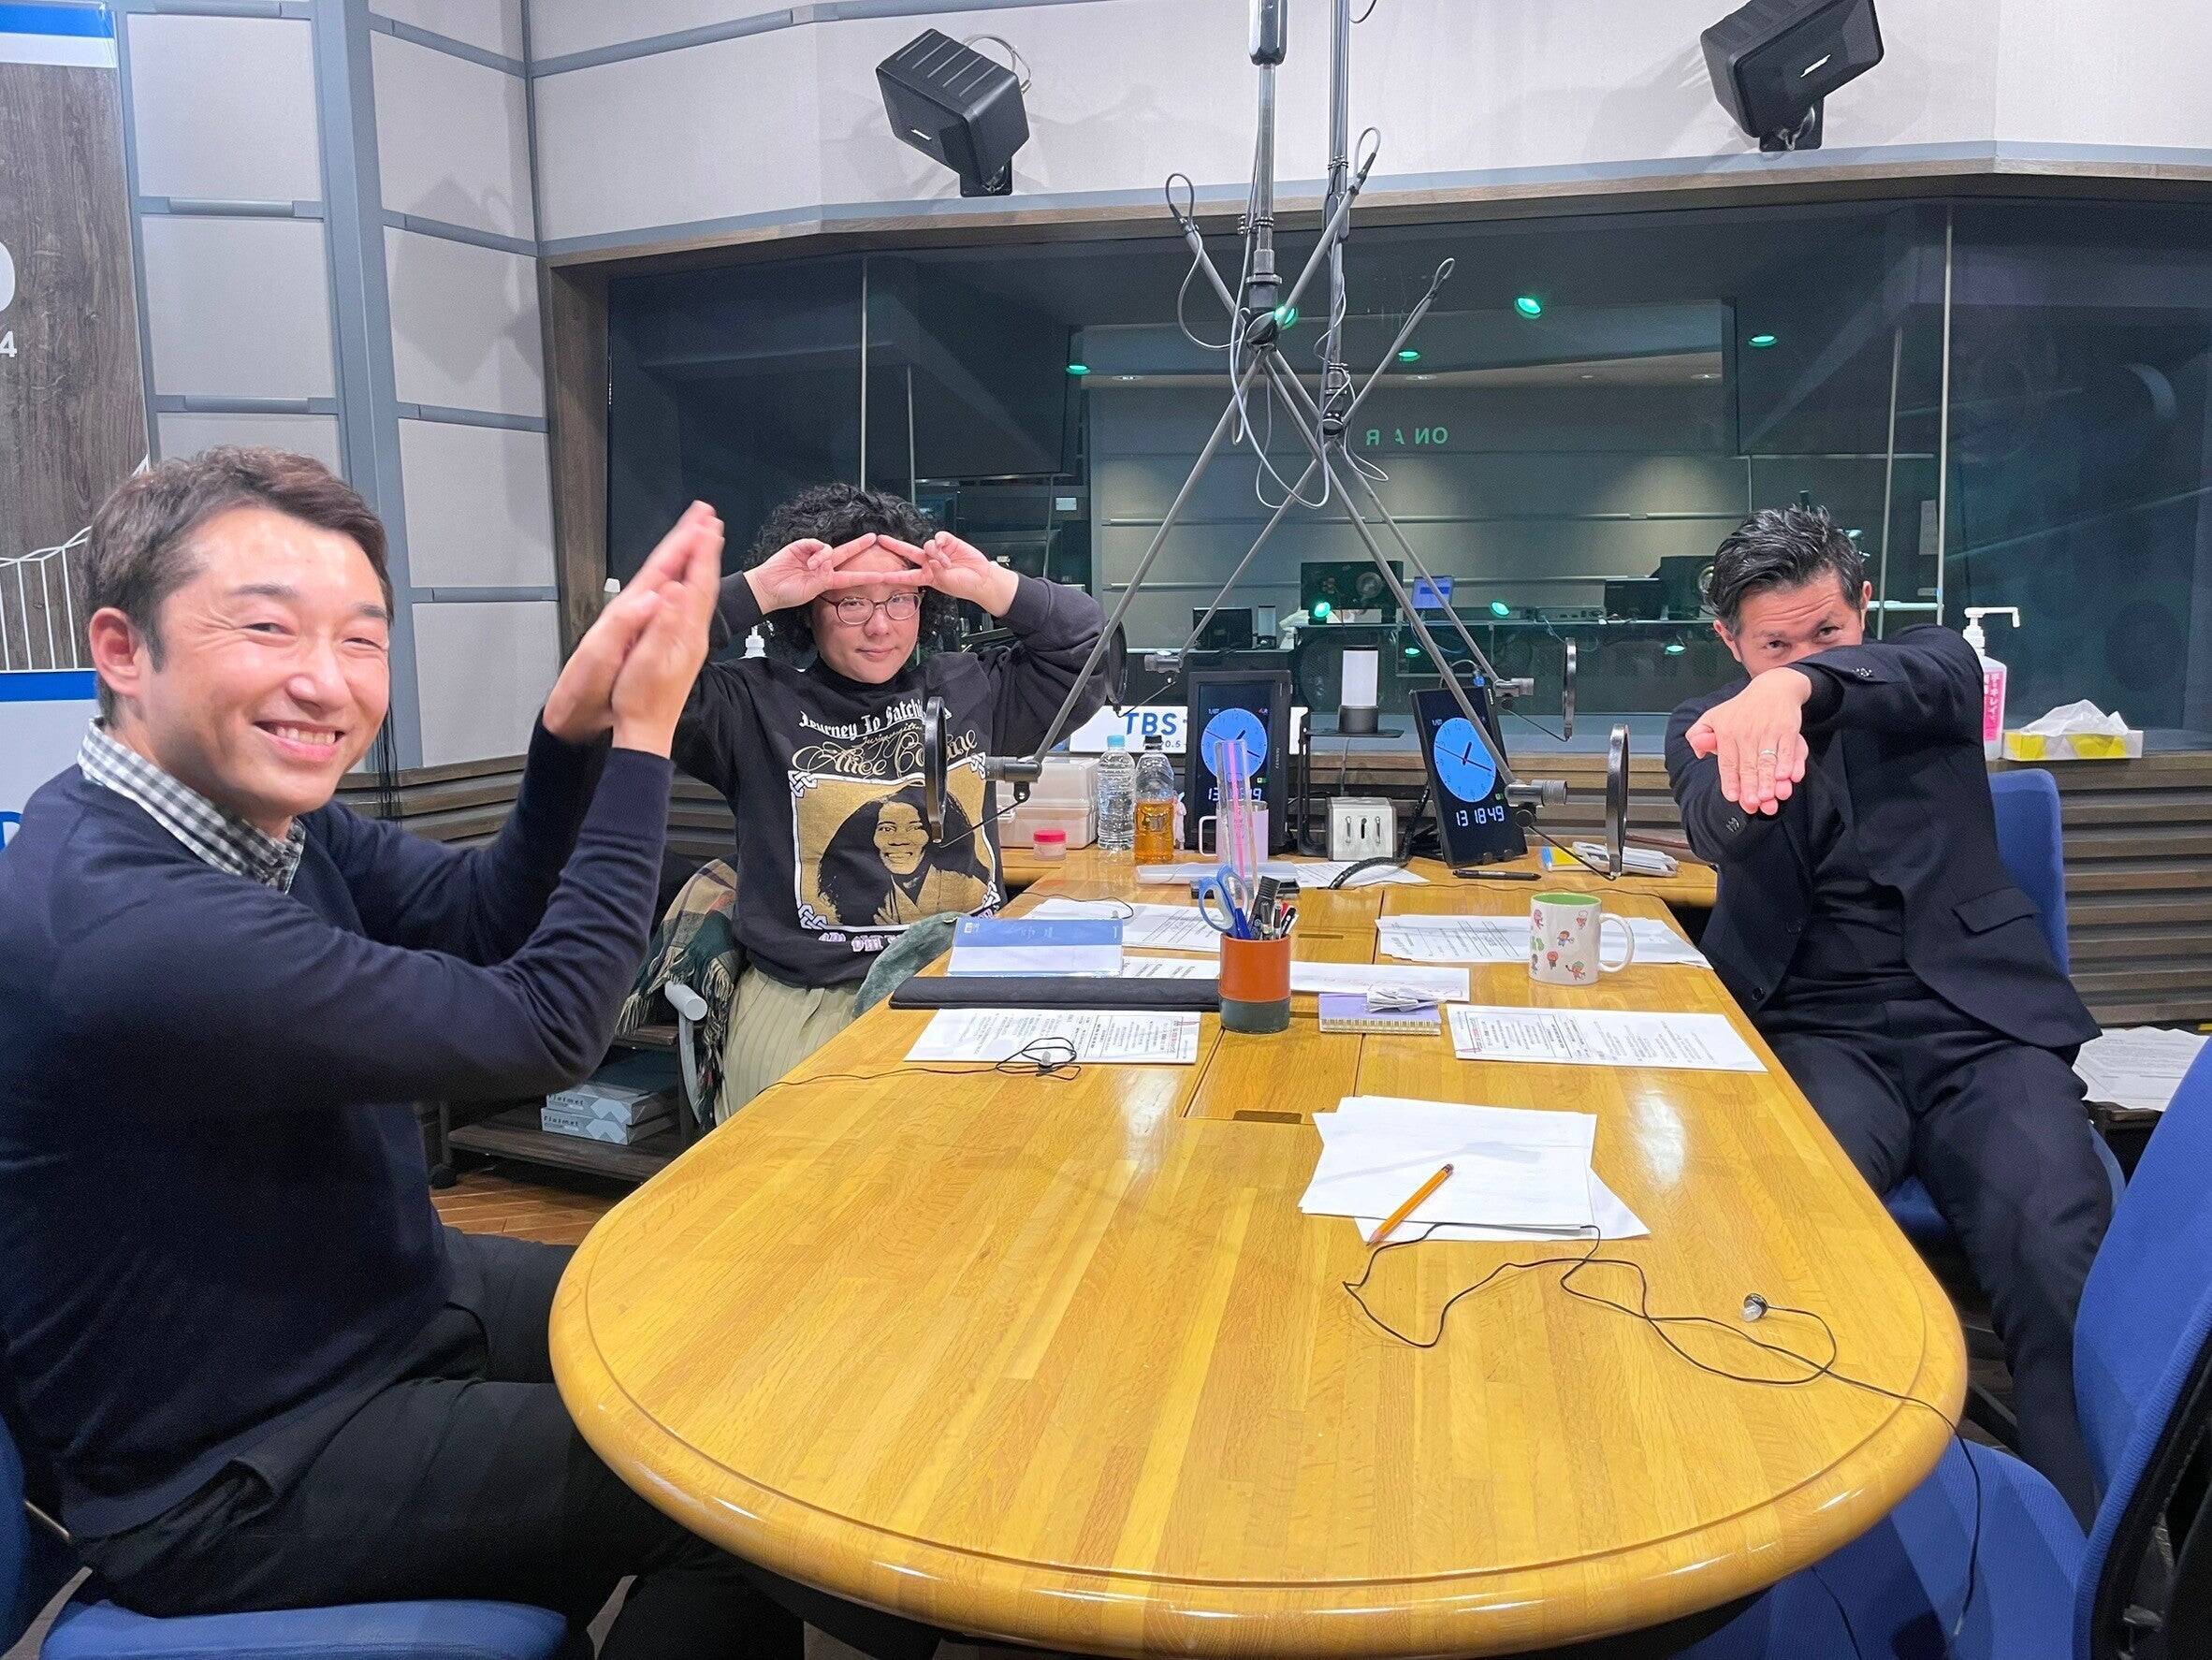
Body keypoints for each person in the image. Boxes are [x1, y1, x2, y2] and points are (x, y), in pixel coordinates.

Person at [0, 449, 939, 1659]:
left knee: (713, 1324)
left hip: (376, 1306)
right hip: (234, 1467)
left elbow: (485, 912)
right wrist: (643, 738)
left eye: (360, 638)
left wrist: (571, 729)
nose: (325, 680)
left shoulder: (253, 821)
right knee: (723, 1486)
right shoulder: (124, 922)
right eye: (269, 628)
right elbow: (546, 1026)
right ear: (124, 651)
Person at [1665, 504, 2111, 1524]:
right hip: (1815, 1027)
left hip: (1980, 1026)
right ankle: (1813, 1522)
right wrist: (1749, 765)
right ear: (1729, 641)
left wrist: (1798, 684)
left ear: (1862, 607)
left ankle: (2095, 1547)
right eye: (1774, 645)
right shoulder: (1709, 722)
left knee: (2054, 1253)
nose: (1807, 656)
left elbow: (1932, 673)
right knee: (1784, 1241)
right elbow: (1712, 825)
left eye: (1827, 630)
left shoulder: (1926, 670)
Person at [674, 483, 1110, 1117]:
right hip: (814, 1005)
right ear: (808, 609)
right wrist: (759, 590)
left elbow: (1088, 646)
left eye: (900, 599)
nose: (880, 626)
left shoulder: (971, 689)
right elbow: (625, 665)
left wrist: (989, 585)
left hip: (967, 989)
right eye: (850, 601)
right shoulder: (750, 705)